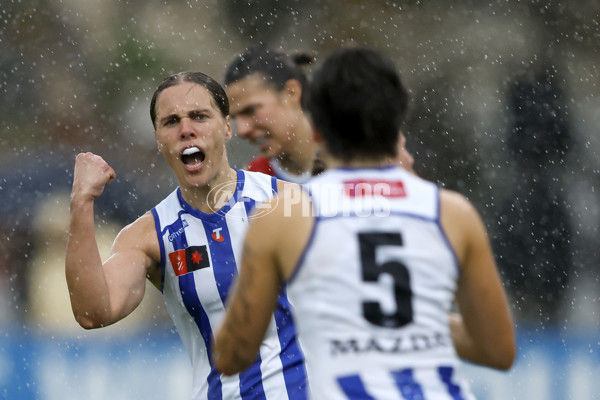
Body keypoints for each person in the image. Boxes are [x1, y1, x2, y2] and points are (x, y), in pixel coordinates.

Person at [213, 47, 515, 398]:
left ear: (318, 130)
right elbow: (498, 350)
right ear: (396, 123)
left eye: (251, 111)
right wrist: (403, 314)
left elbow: (232, 354)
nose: (244, 128)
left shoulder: (280, 215)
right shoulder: (453, 212)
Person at [65, 71, 307, 399]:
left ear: (226, 127)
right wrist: (81, 203)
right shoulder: (149, 235)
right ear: (158, 138)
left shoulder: (294, 203)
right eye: (171, 121)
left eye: (199, 116)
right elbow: (93, 312)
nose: (186, 129)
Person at [224, 45, 319, 183]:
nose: (242, 130)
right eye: (234, 118)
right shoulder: (250, 185)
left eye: (250, 110)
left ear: (291, 93)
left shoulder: (355, 161)